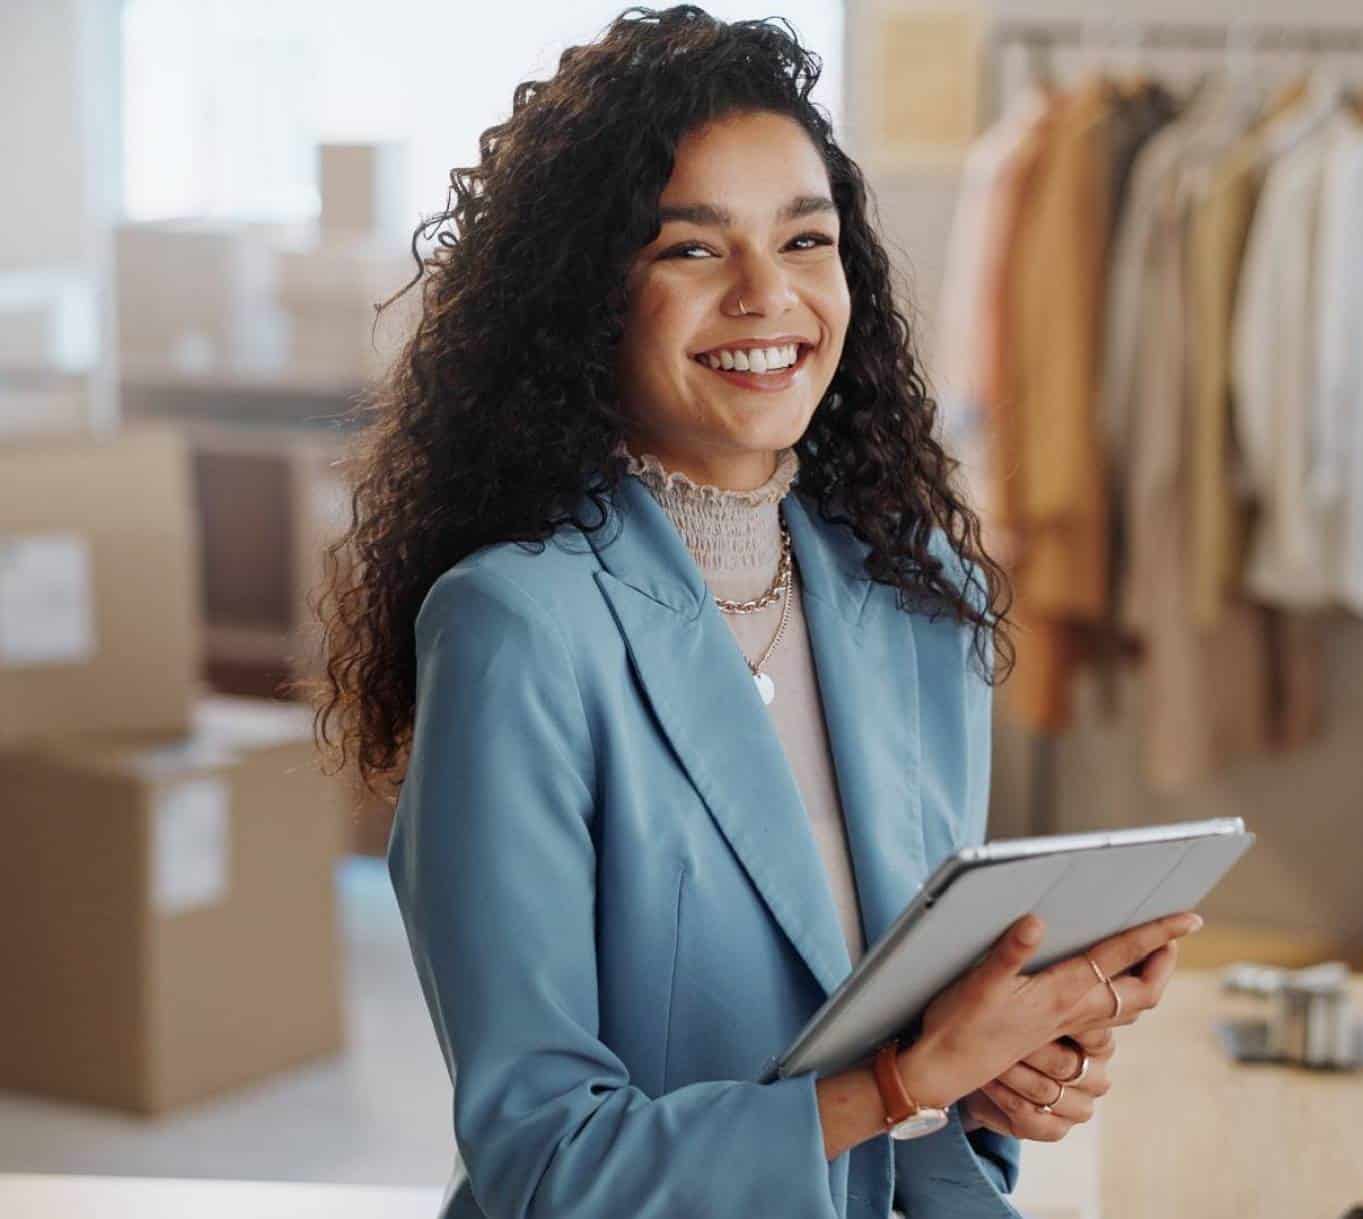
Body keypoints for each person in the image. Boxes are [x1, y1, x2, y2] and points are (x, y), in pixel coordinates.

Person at [311, 7, 1200, 1217]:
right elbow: (544, 1163)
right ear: (587, 298)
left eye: (805, 239)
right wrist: (902, 1079)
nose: (766, 296)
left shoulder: (915, 593)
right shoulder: (518, 626)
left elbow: (929, 1090)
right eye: (691, 250)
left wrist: (1005, 1072)